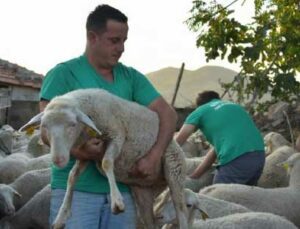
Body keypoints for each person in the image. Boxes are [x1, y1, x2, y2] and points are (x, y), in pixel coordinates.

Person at [40, 4, 177, 229]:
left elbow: (168, 115)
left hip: (124, 190)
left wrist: (154, 156)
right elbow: (46, 129)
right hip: (77, 193)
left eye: (124, 41)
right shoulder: (64, 74)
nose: (121, 48)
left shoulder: (131, 77)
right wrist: (78, 151)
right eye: (114, 41)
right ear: (92, 37)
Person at [175, 90, 265, 185]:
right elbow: (215, 151)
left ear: (199, 105)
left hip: (236, 158)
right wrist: (195, 175)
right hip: (259, 156)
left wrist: (161, 156)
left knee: (216, 195)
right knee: (244, 197)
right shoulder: (234, 106)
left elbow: (178, 141)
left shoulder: (200, 111)